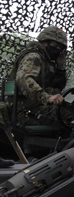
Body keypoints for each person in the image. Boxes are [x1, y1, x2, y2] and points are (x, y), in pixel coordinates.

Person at [0, 26, 68, 165]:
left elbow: (57, 89)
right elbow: (24, 79)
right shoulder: (34, 56)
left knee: (68, 113)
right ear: (44, 42)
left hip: (32, 108)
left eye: (61, 47)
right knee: (70, 117)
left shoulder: (47, 62)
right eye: (55, 46)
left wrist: (60, 67)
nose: (58, 50)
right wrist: (47, 97)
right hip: (25, 111)